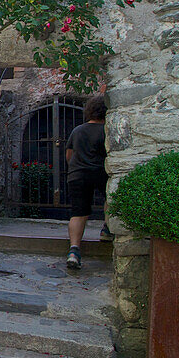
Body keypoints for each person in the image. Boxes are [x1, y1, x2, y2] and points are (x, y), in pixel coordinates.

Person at [65, 95, 110, 269]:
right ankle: (107, 229)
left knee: (78, 212)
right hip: (101, 172)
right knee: (110, 199)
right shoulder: (107, 130)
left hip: (78, 174)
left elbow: (69, 154)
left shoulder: (77, 130)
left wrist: (76, 167)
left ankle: (74, 251)